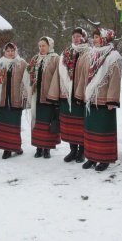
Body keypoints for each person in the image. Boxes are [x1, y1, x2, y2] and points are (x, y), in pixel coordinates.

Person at [75, 27, 122, 171]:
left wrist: (111, 100)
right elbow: (84, 76)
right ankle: (91, 157)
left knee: (103, 130)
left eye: (97, 37)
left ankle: (104, 158)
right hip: (90, 99)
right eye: (94, 37)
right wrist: (80, 94)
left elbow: (115, 79)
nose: (94, 40)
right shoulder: (91, 54)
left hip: (104, 100)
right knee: (90, 129)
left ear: (105, 38)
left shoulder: (114, 57)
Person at [48, 27, 90, 163]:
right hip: (66, 95)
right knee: (69, 124)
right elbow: (58, 74)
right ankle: (73, 150)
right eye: (74, 37)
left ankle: (82, 151)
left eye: (78, 36)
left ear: (84, 37)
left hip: (80, 96)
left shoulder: (89, 53)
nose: (76, 39)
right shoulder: (66, 53)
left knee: (81, 124)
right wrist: (55, 94)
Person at [24, 36, 60, 159]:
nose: (41, 48)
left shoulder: (56, 59)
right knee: (38, 123)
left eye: (44, 45)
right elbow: (28, 74)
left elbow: (58, 78)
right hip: (36, 96)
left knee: (47, 123)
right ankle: (38, 148)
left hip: (49, 97)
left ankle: (47, 149)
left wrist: (54, 95)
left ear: (50, 45)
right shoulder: (35, 59)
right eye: (39, 46)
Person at [0, 42, 27, 159]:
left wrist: (24, 96)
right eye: (8, 51)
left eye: (12, 50)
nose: (10, 53)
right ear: (4, 52)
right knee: (3, 125)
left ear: (16, 51)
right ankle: (6, 149)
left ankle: (15, 146)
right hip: (2, 99)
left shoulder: (22, 63)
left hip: (15, 99)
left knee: (14, 124)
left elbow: (26, 81)